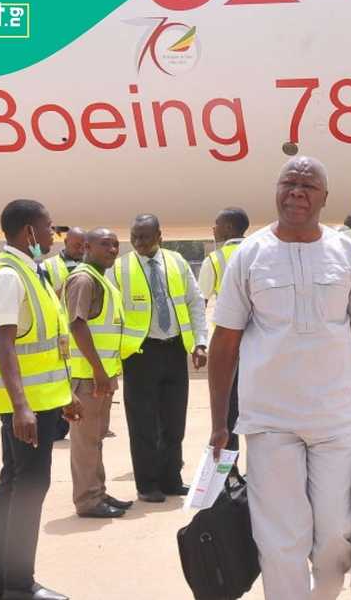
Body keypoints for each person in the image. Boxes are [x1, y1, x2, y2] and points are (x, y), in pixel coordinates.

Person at [206, 156, 351, 600]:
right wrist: (219, 423)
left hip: (335, 419)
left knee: (335, 534)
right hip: (269, 421)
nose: (297, 192)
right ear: (275, 190)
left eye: (308, 186)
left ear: (325, 198)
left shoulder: (346, 252)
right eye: (289, 182)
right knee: (280, 539)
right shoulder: (249, 254)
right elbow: (224, 344)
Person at [0, 199, 79, 600]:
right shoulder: (7, 276)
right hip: (26, 409)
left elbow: (49, 345)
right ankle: (18, 586)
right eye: (49, 227)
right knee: (27, 491)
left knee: (14, 489)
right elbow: (5, 346)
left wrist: (64, 396)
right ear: (30, 233)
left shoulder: (31, 272)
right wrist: (21, 407)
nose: (54, 234)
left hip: (43, 403)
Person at [111, 214, 208, 503]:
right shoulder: (120, 267)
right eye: (135, 237)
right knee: (143, 423)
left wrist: (200, 343)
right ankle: (148, 484)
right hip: (140, 353)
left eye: (145, 236)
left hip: (175, 349)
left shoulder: (177, 262)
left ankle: (170, 479)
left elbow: (194, 301)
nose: (139, 243)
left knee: (174, 420)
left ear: (160, 236)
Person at [64, 228, 133, 519]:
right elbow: (77, 325)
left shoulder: (102, 281)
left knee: (95, 438)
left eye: (116, 245)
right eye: (105, 245)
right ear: (87, 247)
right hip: (88, 377)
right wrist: (98, 370)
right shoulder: (83, 279)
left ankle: (98, 492)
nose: (113, 250)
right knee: (85, 441)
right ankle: (88, 500)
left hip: (100, 376)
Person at [198, 207, 250, 452]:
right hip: (260, 344)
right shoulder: (260, 252)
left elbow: (202, 300)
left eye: (216, 224)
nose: (214, 229)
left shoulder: (215, 259)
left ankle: (229, 473)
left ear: (229, 228)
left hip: (228, 345)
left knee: (229, 411)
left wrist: (199, 342)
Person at [42, 226, 84, 297]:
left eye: (84, 247)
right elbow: (42, 298)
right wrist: (64, 291)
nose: (80, 250)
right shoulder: (46, 266)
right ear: (66, 242)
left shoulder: (92, 265)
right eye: (77, 246)